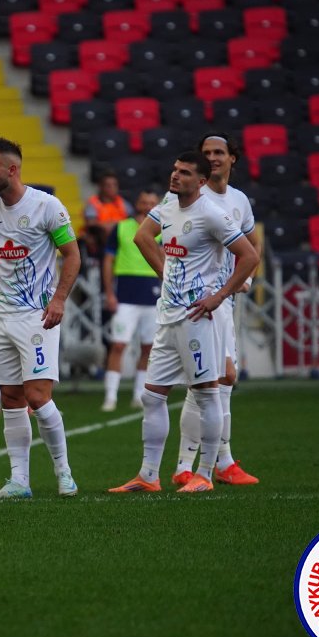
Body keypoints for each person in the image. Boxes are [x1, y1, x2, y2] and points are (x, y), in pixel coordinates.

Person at [109, 151, 258, 494]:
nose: (175, 176)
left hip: (197, 319)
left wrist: (219, 296)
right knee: (152, 395)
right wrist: (166, 276)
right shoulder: (167, 205)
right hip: (169, 315)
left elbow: (249, 256)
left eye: (185, 173)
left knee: (207, 395)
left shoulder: (211, 214)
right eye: (175, 170)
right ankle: (148, 476)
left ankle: (204, 474)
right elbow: (142, 237)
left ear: (202, 182)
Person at [0, 138, 82, 500]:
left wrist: (59, 300)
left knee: (37, 396)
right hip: (2, 317)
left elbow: (72, 255)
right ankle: (19, 480)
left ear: (12, 170)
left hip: (38, 316)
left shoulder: (46, 206)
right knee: (10, 395)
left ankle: (64, 472)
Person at [172, 133, 262, 487]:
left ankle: (203, 462)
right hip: (202, 301)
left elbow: (252, 245)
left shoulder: (239, 200)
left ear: (232, 158)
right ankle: (205, 463)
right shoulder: (194, 195)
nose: (212, 157)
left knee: (218, 380)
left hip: (225, 301)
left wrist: (247, 281)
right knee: (215, 379)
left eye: (218, 152)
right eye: (206, 152)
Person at [101, 187, 162, 412]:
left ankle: (139, 395)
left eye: (152, 202)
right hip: (125, 294)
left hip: (153, 294)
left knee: (148, 348)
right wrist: (109, 292)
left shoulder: (163, 229)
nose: (147, 206)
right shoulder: (121, 227)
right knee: (118, 345)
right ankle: (110, 397)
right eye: (144, 201)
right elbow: (107, 261)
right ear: (137, 203)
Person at [84, 170, 133, 236]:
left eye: (114, 185)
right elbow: (91, 224)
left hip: (122, 235)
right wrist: (106, 226)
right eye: (108, 185)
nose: (112, 188)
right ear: (101, 186)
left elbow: (132, 222)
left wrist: (115, 225)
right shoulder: (93, 203)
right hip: (100, 238)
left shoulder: (124, 203)